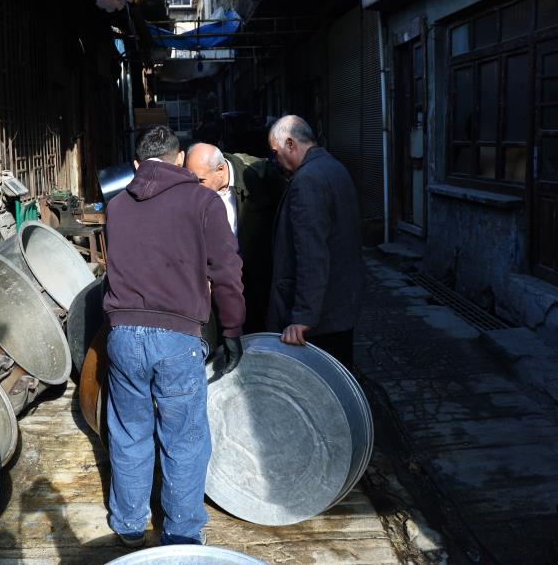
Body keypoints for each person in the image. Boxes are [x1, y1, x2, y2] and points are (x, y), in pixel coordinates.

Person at [102, 124, 245, 547]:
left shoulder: (116, 206)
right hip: (177, 338)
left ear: (136, 164)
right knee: (183, 438)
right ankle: (180, 531)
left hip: (123, 335)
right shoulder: (204, 202)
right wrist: (232, 328)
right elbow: (227, 271)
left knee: (129, 432)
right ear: (179, 159)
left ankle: (129, 523)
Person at [267, 115, 364, 370]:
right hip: (339, 307)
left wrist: (303, 316)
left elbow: (312, 254)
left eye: (275, 152)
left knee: (321, 387)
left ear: (290, 144)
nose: (275, 160)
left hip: (321, 319)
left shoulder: (308, 180)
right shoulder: (334, 166)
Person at [185, 143, 283, 333]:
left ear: (221, 170)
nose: (195, 187)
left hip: (258, 277)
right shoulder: (193, 192)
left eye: (201, 180)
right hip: (218, 280)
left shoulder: (258, 177)